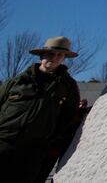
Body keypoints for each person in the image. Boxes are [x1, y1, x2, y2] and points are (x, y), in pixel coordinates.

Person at [0, 36, 81, 183]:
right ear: (42, 55)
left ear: (64, 58)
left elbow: (67, 118)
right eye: (51, 53)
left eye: (60, 55)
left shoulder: (68, 87)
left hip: (32, 151)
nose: (55, 58)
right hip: (3, 141)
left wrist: (47, 138)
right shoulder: (17, 82)